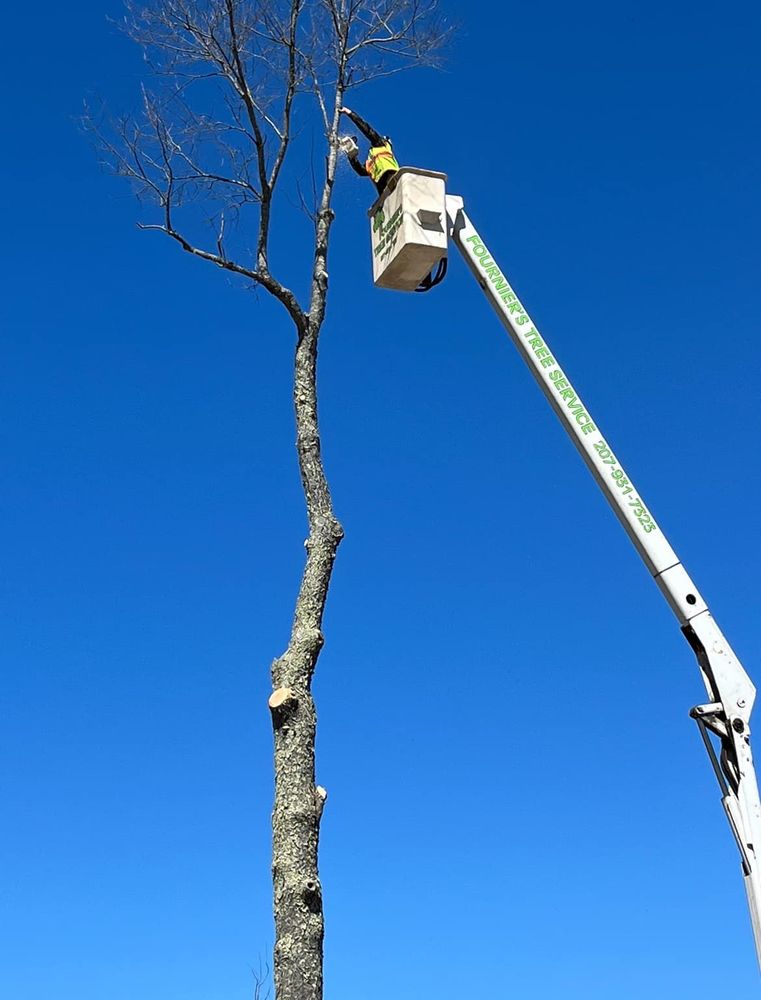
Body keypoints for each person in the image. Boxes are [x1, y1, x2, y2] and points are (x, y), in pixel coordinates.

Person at [339, 107, 400, 196]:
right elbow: (360, 171)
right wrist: (352, 157)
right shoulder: (370, 161)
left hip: (390, 174)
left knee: (395, 195)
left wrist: (349, 113)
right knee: (389, 203)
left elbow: (367, 129)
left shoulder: (381, 144)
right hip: (380, 184)